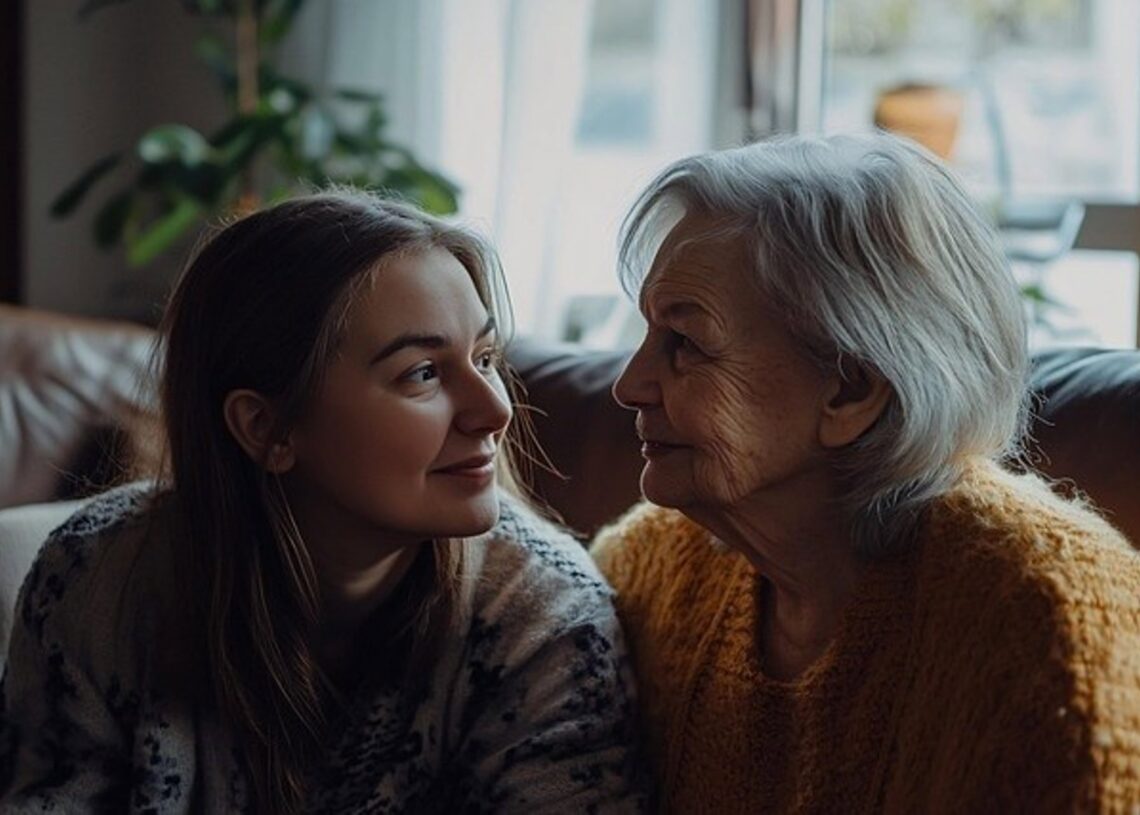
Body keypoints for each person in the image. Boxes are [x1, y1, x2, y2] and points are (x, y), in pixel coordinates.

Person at [1, 191, 645, 813]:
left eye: (485, 357)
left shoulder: (546, 619)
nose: (496, 409)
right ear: (266, 428)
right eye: (422, 372)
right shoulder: (97, 581)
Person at [591, 132, 1140, 812]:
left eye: (685, 343)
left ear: (850, 391)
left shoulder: (1051, 620)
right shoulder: (647, 569)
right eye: (645, 333)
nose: (629, 384)